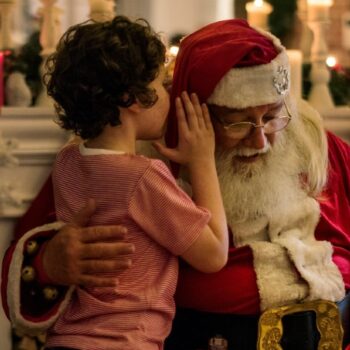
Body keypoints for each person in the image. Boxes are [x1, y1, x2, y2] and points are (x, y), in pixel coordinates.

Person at [2, 18, 350, 350]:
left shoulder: (314, 144)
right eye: (236, 122)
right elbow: (25, 265)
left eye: (272, 116)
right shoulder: (133, 160)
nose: (260, 141)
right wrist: (49, 263)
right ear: (191, 110)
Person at [4, 16, 229, 350]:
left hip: (64, 341)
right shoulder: (143, 176)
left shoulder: (67, 162)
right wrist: (202, 160)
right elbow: (214, 255)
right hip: (125, 341)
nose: (167, 94)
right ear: (133, 98)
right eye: (159, 85)